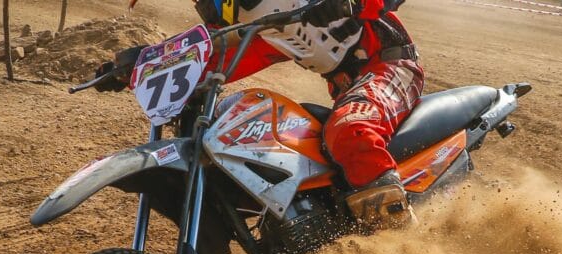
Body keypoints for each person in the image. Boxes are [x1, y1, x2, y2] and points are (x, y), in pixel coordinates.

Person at [96, 0, 422, 229]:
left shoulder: (289, 6)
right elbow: (208, 58)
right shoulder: (266, 25)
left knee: (352, 129)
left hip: (391, 64)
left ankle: (400, 245)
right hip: (346, 87)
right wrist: (139, 69)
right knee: (281, 148)